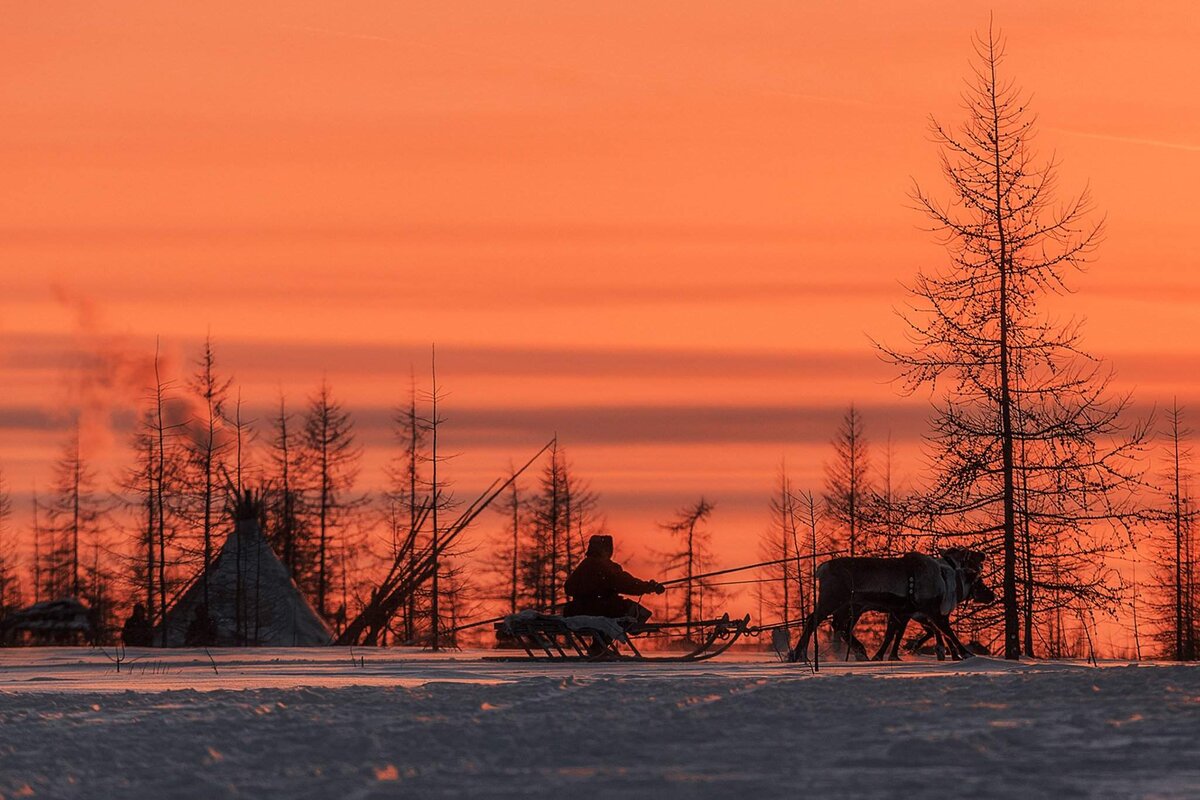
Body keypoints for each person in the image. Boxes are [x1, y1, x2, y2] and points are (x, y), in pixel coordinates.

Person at [563, 535, 665, 624]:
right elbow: (626, 584)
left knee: (612, 606)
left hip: (576, 611)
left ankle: (601, 641)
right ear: (606, 550)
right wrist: (648, 587)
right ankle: (611, 636)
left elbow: (568, 588)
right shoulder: (605, 566)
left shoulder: (584, 565)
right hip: (598, 611)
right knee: (635, 611)